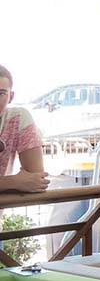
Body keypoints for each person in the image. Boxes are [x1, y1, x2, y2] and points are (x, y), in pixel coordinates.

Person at [0, 64, 48, 194]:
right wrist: (14, 182)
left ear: (11, 96)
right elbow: (27, 181)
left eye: (1, 93)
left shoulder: (17, 118)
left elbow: (37, 179)